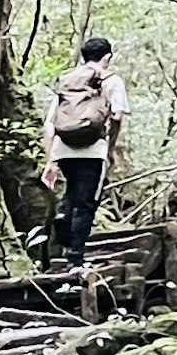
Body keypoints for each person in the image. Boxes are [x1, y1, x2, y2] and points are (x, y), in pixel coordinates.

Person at [41, 35, 126, 266]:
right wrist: (110, 147)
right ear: (107, 57)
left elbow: (50, 124)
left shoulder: (68, 80)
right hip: (93, 151)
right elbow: (117, 117)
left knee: (72, 193)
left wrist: (51, 160)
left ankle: (63, 221)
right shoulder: (112, 80)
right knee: (87, 202)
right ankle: (76, 259)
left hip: (63, 149)